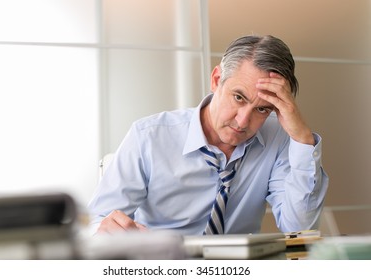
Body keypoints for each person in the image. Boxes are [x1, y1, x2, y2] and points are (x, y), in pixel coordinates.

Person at [88, 35, 329, 235]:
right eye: (238, 97)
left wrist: (302, 140)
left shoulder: (279, 138)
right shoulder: (148, 137)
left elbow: (300, 230)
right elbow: (98, 221)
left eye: (262, 109)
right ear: (216, 80)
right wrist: (106, 231)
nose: (242, 121)